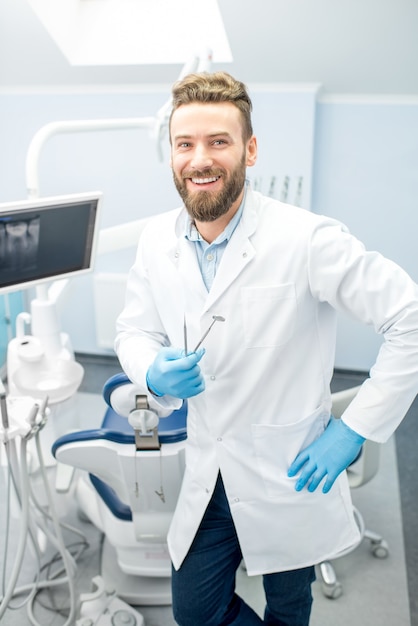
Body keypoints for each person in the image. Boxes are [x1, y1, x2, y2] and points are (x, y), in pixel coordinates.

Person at [115, 71, 418, 626]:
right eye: (185, 144)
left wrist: (353, 432)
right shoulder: (156, 240)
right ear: (172, 155)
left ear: (249, 150)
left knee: (287, 608)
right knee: (197, 613)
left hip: (289, 474)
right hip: (209, 471)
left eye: (218, 141)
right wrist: (152, 373)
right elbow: (132, 332)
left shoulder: (307, 239)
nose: (199, 158)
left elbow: (411, 320)